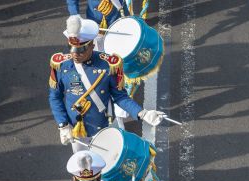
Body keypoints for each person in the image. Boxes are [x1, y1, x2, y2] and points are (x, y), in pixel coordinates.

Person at [48, 15, 165, 153]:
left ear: (91, 45)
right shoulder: (61, 65)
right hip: (76, 130)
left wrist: (142, 113)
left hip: (104, 127)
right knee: (86, 170)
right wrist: (63, 124)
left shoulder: (109, 65)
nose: (75, 54)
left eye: (80, 50)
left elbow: (120, 96)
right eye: (71, 48)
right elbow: (55, 97)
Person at [66, 0, 130, 51]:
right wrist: (74, 14)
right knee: (99, 50)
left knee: (122, 47)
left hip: (119, 15)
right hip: (96, 21)